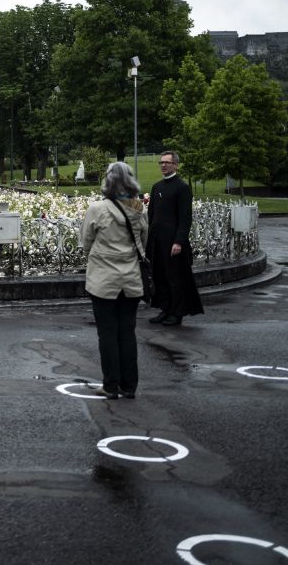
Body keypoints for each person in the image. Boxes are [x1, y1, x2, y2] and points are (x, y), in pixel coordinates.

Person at [81, 162, 148, 400]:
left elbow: (86, 242)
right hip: (130, 278)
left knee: (107, 333)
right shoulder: (139, 207)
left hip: (103, 278)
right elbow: (143, 241)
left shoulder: (98, 208)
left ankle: (111, 384)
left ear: (108, 182)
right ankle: (129, 385)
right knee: (127, 332)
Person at [146, 151, 204, 326]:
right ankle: (165, 309)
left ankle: (176, 312)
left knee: (174, 278)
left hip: (173, 243)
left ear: (176, 165)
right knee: (160, 277)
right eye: (161, 162)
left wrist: (178, 241)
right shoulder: (156, 187)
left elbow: (185, 218)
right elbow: (152, 215)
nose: (163, 165)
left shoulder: (182, 187)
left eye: (167, 163)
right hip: (158, 241)